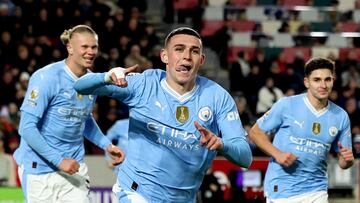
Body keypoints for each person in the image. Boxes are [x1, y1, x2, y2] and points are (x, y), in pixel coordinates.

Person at [74, 27, 253, 203]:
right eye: (179, 49)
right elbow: (80, 86)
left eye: (194, 51)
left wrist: (222, 144)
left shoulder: (217, 97)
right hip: (136, 192)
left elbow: (245, 157)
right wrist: (107, 76)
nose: (186, 56)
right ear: (164, 56)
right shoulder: (144, 84)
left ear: (201, 60)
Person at [13, 24, 125, 203]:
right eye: (85, 47)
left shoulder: (91, 82)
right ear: (70, 48)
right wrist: (59, 161)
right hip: (39, 169)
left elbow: (84, 118)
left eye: (94, 47)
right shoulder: (46, 78)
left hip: (74, 166)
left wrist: (107, 145)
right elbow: (26, 128)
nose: (90, 52)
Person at [249, 57, 354, 203]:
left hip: (317, 190)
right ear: (307, 82)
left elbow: (343, 162)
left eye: (327, 79)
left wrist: (347, 160)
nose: (323, 85)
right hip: (282, 189)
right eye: (317, 80)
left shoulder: (340, 116)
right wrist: (278, 154)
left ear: (333, 80)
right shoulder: (287, 105)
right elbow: (255, 132)